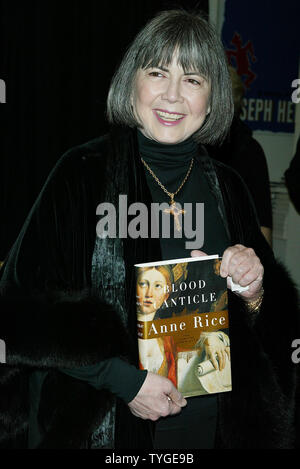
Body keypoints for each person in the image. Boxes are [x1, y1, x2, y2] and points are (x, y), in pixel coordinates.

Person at [0, 9, 298, 449]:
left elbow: (271, 331)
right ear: (131, 82)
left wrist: (253, 293)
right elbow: (20, 309)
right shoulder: (83, 174)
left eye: (193, 79)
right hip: (106, 431)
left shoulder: (228, 188)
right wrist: (124, 381)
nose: (173, 95)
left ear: (213, 100)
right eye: (158, 72)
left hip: (210, 432)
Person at [206, 66, 273, 246]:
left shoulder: (249, 150)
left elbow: (262, 223)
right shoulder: (188, 145)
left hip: (238, 259)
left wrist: (262, 268)